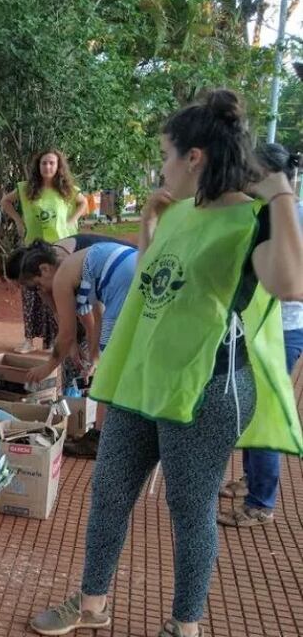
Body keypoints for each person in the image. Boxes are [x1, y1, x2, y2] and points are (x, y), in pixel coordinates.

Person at [30, 89, 303, 637]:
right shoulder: (180, 209)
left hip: (208, 390)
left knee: (188, 509)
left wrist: (280, 197)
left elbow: (290, 283)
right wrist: (151, 224)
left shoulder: (251, 220)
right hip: (145, 380)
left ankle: (184, 626)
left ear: (194, 157)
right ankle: (91, 604)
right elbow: (155, 286)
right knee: (108, 491)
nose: (162, 167)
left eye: (165, 155)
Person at [218, 143, 303, 528]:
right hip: (256, 325)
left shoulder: (289, 216)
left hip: (281, 329)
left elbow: (291, 283)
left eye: (250, 175)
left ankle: (261, 501)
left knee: (264, 409)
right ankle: (252, 481)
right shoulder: (263, 211)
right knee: (249, 405)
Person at [6, 235, 137, 458]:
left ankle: (100, 436)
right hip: (136, 265)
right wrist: (94, 357)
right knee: (121, 359)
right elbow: (96, 313)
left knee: (112, 366)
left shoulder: (62, 277)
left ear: (45, 269)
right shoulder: (79, 265)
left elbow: (66, 335)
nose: (41, 291)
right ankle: (120, 428)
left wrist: (45, 369)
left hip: (125, 281)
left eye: (38, 286)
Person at [1, 150, 88, 354]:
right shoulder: (25, 189)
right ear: (38, 166)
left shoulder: (67, 190)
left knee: (57, 294)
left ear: (58, 166)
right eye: (43, 163)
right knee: (31, 294)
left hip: (59, 249)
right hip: (33, 249)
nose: (47, 167)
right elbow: (5, 201)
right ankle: (28, 339)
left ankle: (52, 341)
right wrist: (18, 221)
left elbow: (84, 202)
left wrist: (73, 220)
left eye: (51, 163)